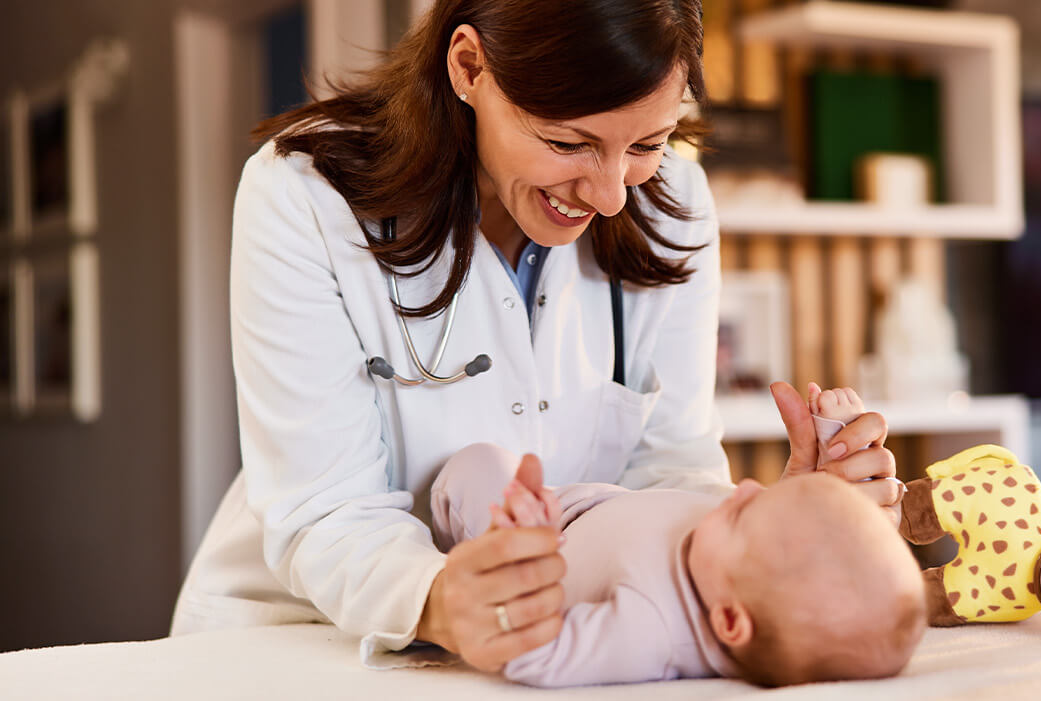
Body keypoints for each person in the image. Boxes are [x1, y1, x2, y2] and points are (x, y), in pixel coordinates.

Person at [170, 0, 902, 673]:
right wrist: (439, 597)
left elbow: (670, 469)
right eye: (567, 141)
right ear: (468, 67)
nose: (612, 192)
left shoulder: (673, 202)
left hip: (548, 633)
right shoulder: (305, 194)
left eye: (648, 141)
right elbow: (328, 510)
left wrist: (777, 536)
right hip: (305, 636)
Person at [429, 387, 926, 687]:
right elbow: (773, 532)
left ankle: (490, 538)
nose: (747, 488)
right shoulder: (741, 569)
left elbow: (538, 653)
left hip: (550, 543)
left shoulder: (652, 633)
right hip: (599, 503)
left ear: (730, 620)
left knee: (478, 465)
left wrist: (517, 555)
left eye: (742, 514)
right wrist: (830, 443)